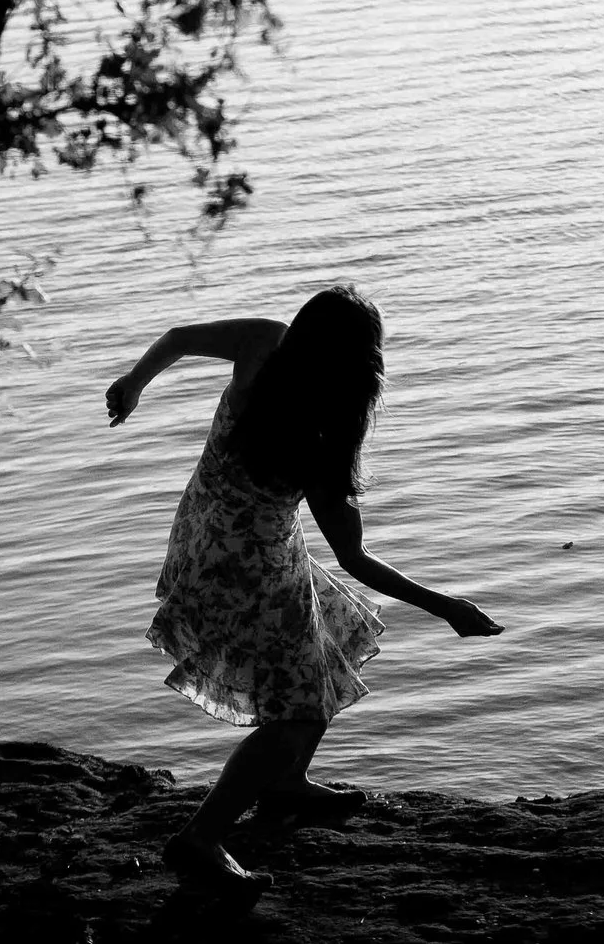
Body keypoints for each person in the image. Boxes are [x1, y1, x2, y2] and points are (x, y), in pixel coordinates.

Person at [107, 284, 503, 896]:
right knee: (296, 712)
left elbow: (180, 339)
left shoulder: (264, 343)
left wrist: (134, 383)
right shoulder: (320, 438)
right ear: (360, 368)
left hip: (202, 541)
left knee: (325, 642)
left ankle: (287, 783)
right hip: (254, 569)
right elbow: (356, 559)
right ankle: (202, 836)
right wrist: (445, 606)